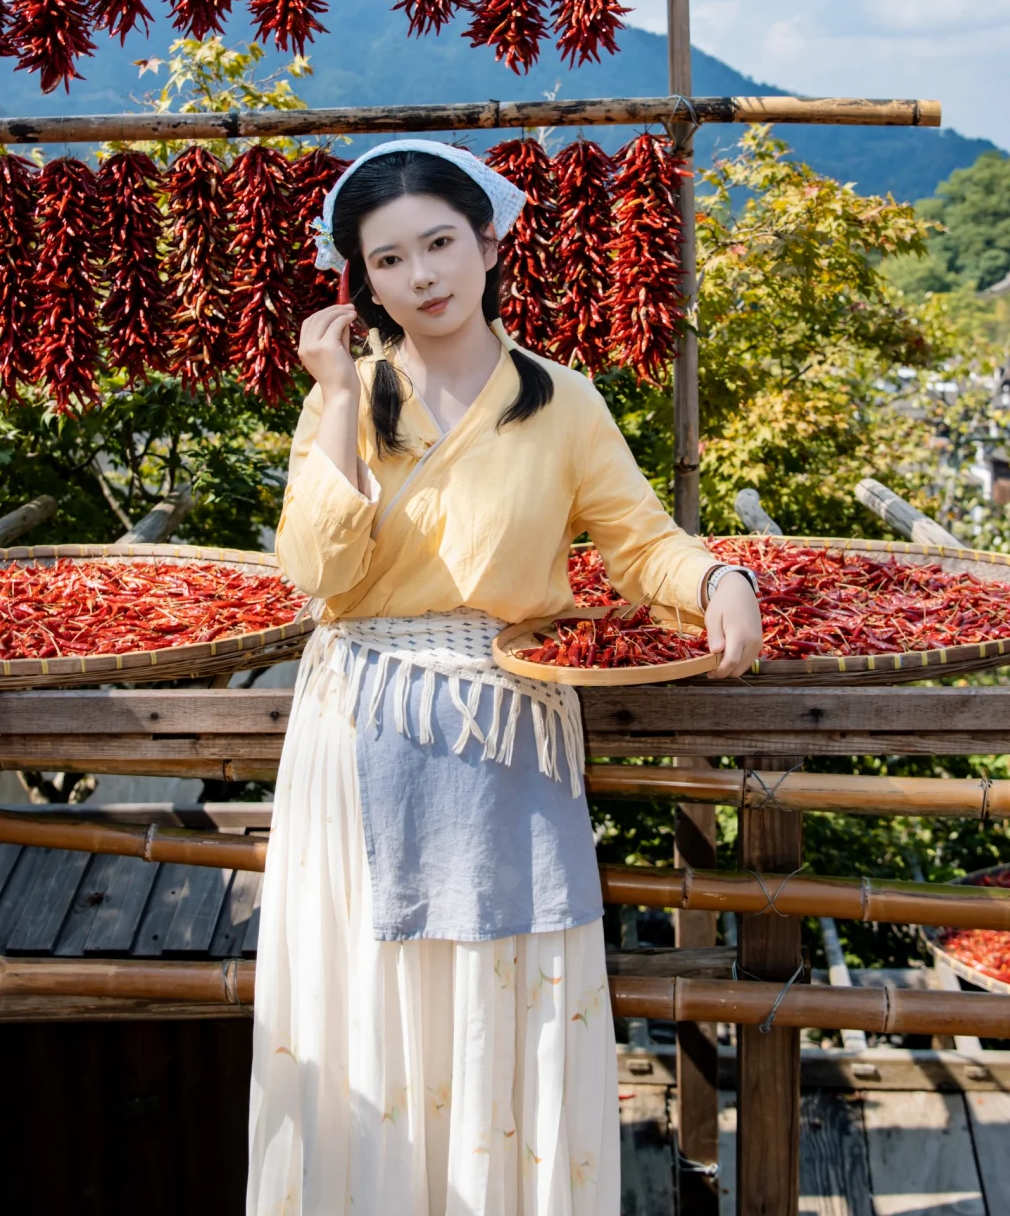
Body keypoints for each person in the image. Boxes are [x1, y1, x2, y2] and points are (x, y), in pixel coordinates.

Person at [246, 138, 763, 1216]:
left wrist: (718, 577)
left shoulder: (561, 401)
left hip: (509, 726)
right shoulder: (353, 395)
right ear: (362, 281)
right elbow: (313, 568)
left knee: (506, 1010)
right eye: (388, 260)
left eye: (440, 242)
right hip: (361, 721)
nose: (422, 276)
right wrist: (336, 393)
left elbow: (639, 542)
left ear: (489, 241)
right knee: (367, 1013)